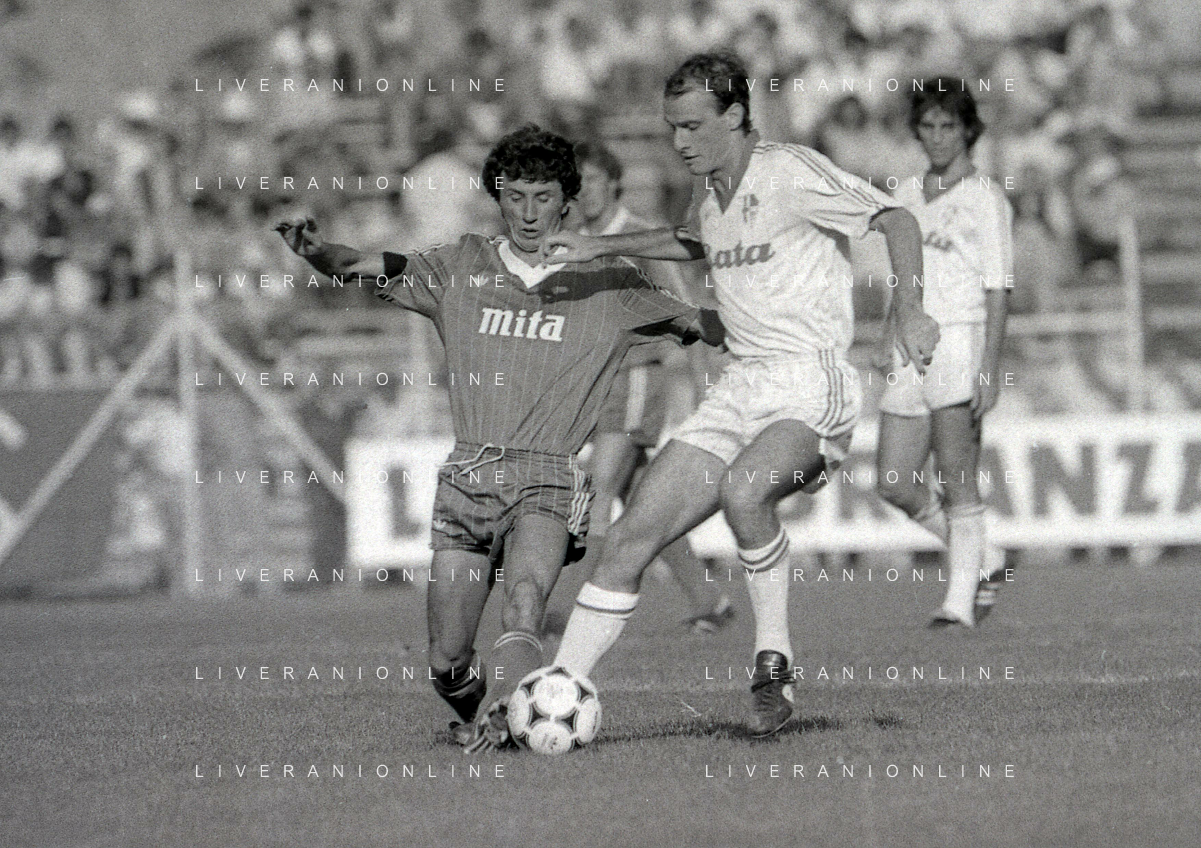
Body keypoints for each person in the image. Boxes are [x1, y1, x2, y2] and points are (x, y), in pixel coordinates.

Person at [277, 125, 723, 751]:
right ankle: (482, 705)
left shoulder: (610, 283)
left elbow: (708, 324)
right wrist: (315, 251)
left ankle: (508, 713)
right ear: (497, 196)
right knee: (446, 660)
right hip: (469, 479)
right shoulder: (460, 265)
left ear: (567, 200)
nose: (529, 213)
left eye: (544, 197)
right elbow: (354, 265)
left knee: (525, 600)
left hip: (548, 477)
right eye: (515, 197)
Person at [541, 53, 939, 737]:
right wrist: (594, 248)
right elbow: (689, 240)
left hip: (809, 382)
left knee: (744, 491)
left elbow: (896, 220)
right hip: (739, 387)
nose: (679, 141)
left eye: (693, 126)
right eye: (672, 127)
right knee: (630, 536)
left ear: (734, 116)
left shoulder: (789, 171)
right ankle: (558, 689)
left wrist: (907, 310)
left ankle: (772, 662)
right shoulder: (709, 192)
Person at [567, 140, 733, 634]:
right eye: (577, 183)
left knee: (595, 492)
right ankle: (709, 601)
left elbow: (690, 309)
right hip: (596, 385)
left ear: (613, 183)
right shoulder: (574, 242)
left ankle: (565, 615)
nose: (584, 191)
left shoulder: (639, 237)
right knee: (643, 503)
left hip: (638, 377)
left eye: (593, 180)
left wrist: (703, 385)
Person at [875, 81, 1013, 628]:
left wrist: (990, 367)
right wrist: (888, 330)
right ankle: (987, 556)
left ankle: (959, 605)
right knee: (893, 481)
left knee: (957, 475)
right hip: (911, 341)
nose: (936, 137)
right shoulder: (906, 193)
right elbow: (901, 273)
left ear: (968, 130)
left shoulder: (986, 197)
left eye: (948, 126)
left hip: (960, 336)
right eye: (927, 126)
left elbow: (998, 288)